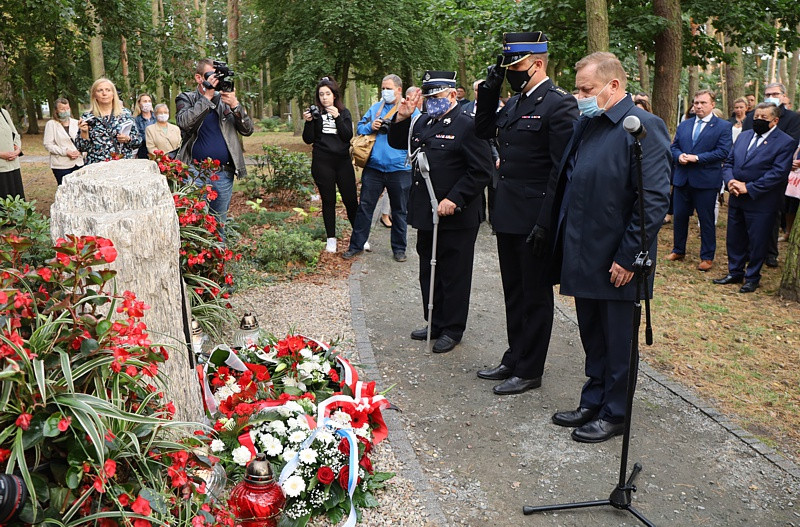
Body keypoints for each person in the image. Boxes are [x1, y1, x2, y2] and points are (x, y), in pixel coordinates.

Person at [538, 52, 670, 443]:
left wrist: (629, 256)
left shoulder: (642, 127)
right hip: (584, 252)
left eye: (586, 89)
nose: (579, 96)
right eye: (578, 88)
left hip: (618, 259)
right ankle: (592, 400)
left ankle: (615, 414)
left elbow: (654, 200)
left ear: (614, 86)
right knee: (592, 335)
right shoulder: (590, 124)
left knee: (617, 341)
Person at [474, 31, 579, 395]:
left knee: (534, 295)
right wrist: (487, 91)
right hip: (508, 213)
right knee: (513, 291)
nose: (511, 73)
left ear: (537, 63)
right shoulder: (517, 102)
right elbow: (484, 128)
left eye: (515, 66)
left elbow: (560, 170)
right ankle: (514, 357)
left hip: (535, 216)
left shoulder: (558, 104)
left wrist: (546, 222)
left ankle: (530, 368)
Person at [388, 71, 492, 353]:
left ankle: (453, 328)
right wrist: (401, 117)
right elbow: (399, 144)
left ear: (451, 94)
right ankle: (435, 320)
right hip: (426, 211)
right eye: (428, 97)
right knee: (428, 268)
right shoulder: (423, 120)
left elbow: (481, 170)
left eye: (436, 97)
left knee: (454, 272)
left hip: (456, 215)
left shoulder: (468, 125)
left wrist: (455, 198)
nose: (431, 102)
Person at [713, 103, 795, 293]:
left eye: (763, 118)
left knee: (757, 241)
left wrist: (748, 188)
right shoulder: (744, 136)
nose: (758, 120)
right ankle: (735, 272)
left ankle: (752, 277)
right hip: (736, 197)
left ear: (775, 121)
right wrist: (731, 182)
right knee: (734, 237)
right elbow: (729, 162)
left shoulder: (785, 142)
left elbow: (777, 173)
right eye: (756, 116)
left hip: (762, 201)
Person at [342, 74, 419, 262]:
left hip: (399, 169)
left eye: (388, 88)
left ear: (399, 89)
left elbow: (417, 134)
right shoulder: (376, 108)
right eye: (383, 88)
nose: (385, 91)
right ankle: (356, 245)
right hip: (374, 168)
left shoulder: (410, 110)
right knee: (365, 208)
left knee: (400, 211)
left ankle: (399, 249)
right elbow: (360, 128)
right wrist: (371, 126)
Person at [176, 58, 254, 233]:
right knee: (193, 224)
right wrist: (207, 98)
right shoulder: (186, 98)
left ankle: (218, 260)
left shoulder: (225, 100)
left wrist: (235, 105)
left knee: (218, 226)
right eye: (211, 75)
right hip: (194, 172)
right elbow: (184, 122)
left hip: (223, 174)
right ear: (199, 78)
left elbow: (248, 130)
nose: (216, 80)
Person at [666, 89, 732, 272]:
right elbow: (674, 146)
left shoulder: (723, 126)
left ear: (712, 104)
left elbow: (723, 151)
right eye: (696, 103)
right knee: (679, 217)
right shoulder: (685, 125)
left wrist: (697, 158)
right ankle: (678, 249)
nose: (699, 106)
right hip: (682, 179)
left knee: (706, 219)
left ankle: (707, 256)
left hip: (705, 181)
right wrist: (679, 156)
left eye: (703, 103)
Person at [742, 83, 800, 268]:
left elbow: (790, 141)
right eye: (767, 93)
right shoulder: (752, 116)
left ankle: (770, 253)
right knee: (746, 217)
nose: (770, 96)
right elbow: (745, 141)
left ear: (783, 96)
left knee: (772, 216)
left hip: (775, 173)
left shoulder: (792, 118)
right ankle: (748, 251)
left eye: (775, 93)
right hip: (750, 172)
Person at [302, 76, 358, 253]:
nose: (324, 97)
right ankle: (331, 239)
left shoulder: (344, 112)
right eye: (321, 94)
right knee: (328, 201)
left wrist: (338, 118)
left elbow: (347, 136)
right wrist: (309, 122)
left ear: (334, 95)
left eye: (328, 94)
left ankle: (359, 236)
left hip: (342, 162)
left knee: (350, 200)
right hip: (322, 162)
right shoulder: (316, 114)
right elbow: (308, 139)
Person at [75, 78, 141, 164]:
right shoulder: (88, 117)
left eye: (108, 90)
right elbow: (81, 147)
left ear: (113, 94)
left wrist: (127, 139)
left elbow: (138, 141)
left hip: (122, 164)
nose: (104, 93)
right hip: (97, 165)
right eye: (100, 90)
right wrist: (84, 133)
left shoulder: (125, 114)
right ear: (94, 95)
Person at [43, 97, 84, 185]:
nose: (65, 111)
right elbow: (48, 144)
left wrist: (80, 151)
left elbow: (83, 140)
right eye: (62, 109)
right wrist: (65, 152)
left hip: (79, 163)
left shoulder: (76, 123)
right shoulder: (51, 124)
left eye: (67, 108)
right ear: (56, 111)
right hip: (61, 165)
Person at [0, 106, 24, 199]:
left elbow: (15, 135)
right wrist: (1, 154)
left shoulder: (3, 113)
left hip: (13, 167)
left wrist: (17, 150)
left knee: (17, 203)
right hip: (1, 169)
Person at [133, 94, 156, 159]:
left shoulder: (157, 117)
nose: (147, 103)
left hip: (159, 149)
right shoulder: (136, 120)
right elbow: (137, 136)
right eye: (145, 101)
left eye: (149, 101)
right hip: (144, 151)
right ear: (139, 103)